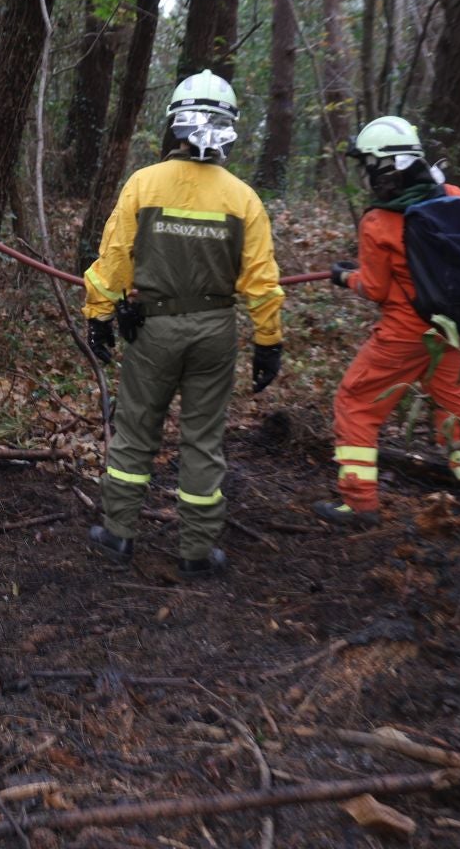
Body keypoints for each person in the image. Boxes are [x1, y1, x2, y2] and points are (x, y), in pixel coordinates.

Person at [80, 71, 285, 576]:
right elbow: (261, 281)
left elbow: (113, 260)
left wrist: (99, 318)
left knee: (135, 431)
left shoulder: (144, 185)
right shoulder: (244, 200)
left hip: (154, 331)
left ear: (175, 123)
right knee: (203, 439)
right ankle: (196, 550)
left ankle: (119, 534)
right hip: (216, 333)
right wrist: (268, 342)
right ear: (229, 130)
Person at [316, 115, 460, 528]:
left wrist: (345, 277)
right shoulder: (457, 197)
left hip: (405, 333)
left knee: (356, 403)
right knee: (455, 406)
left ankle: (359, 504)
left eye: (369, 165)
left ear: (385, 166)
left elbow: (374, 290)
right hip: (458, 327)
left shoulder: (379, 221)